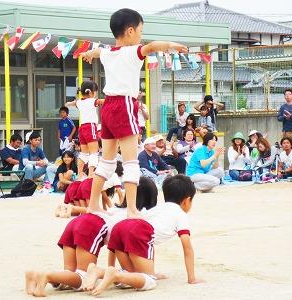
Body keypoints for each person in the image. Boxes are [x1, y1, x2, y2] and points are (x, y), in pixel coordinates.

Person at [82, 8, 188, 218]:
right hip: (124, 106)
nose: (141, 34)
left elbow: (95, 52)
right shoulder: (133, 51)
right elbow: (152, 46)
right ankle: (131, 209)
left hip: (108, 108)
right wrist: (171, 46)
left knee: (106, 161)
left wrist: (87, 53)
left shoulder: (106, 52)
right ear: (130, 31)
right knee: (131, 162)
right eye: (140, 30)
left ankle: (93, 205)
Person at [25, 177, 158, 297]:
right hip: (91, 227)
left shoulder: (114, 209)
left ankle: (35, 275)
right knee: (83, 277)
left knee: (70, 273)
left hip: (76, 222)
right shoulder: (136, 216)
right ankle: (47, 275)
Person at [84, 175, 202, 296]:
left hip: (121, 228)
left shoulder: (157, 209)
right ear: (187, 201)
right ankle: (115, 274)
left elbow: (146, 243)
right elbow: (187, 248)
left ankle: (99, 271)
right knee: (149, 280)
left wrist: (111, 265)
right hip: (138, 232)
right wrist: (191, 278)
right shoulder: (180, 214)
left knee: (131, 275)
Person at [65, 81, 103, 177]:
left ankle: (79, 174)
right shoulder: (92, 101)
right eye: (94, 92)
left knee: (84, 153)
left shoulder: (79, 102)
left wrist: (68, 103)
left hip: (82, 129)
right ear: (90, 92)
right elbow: (102, 101)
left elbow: (73, 103)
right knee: (94, 153)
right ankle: (90, 174)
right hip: (91, 127)